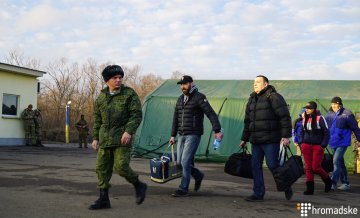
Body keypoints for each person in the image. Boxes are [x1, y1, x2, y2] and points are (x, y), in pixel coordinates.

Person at [89, 65, 147, 210]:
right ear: (107, 80)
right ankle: (104, 200)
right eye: (115, 78)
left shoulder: (129, 94)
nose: (118, 80)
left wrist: (128, 131)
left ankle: (138, 184)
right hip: (105, 139)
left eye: (120, 77)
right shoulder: (102, 96)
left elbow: (136, 114)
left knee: (121, 167)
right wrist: (95, 137)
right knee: (102, 169)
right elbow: (97, 118)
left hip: (122, 138)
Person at [239, 75, 293, 202]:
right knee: (255, 166)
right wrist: (244, 138)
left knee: (272, 165)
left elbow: (284, 117)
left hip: (271, 139)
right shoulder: (251, 99)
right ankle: (258, 193)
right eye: (254, 82)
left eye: (258, 82)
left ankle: (286, 184)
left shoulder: (274, 97)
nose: (255, 84)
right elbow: (247, 121)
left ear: (266, 84)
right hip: (255, 140)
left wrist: (285, 136)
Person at [169, 75, 223, 197]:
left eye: (185, 84)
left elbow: (210, 113)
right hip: (181, 135)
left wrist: (217, 130)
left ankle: (183, 188)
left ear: (192, 84)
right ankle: (198, 175)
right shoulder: (179, 99)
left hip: (193, 134)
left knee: (185, 161)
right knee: (179, 162)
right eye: (181, 84)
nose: (183, 86)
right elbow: (175, 119)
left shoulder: (199, 97)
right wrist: (172, 135)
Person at [325, 96, 360, 191]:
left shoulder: (347, 114)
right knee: (340, 162)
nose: (333, 106)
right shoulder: (329, 114)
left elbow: (355, 128)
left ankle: (333, 183)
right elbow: (325, 128)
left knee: (336, 161)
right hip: (332, 141)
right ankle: (346, 183)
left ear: (340, 104)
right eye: (332, 104)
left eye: (335, 104)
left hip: (343, 142)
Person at [300, 101, 332, 195]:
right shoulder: (304, 118)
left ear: (314, 109)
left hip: (317, 146)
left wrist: (323, 145)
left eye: (309, 108)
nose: (307, 109)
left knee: (315, 167)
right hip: (306, 146)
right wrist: (302, 142)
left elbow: (326, 132)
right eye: (306, 108)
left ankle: (328, 180)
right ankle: (310, 189)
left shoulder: (320, 118)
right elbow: (302, 131)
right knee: (308, 168)